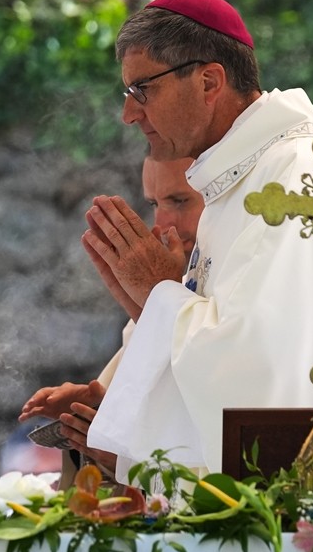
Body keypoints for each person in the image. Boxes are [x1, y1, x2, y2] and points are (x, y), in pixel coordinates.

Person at [76, 0, 313, 480]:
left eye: (142, 90)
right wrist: (149, 309)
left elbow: (256, 370)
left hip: (308, 498)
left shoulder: (299, 178)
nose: (130, 113)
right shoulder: (240, 181)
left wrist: (158, 292)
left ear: (209, 81)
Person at [18, 156, 203, 475]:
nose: (163, 225)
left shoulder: (239, 294)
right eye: (154, 204)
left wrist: (127, 461)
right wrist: (100, 409)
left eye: (180, 201)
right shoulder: (177, 293)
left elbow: (217, 418)